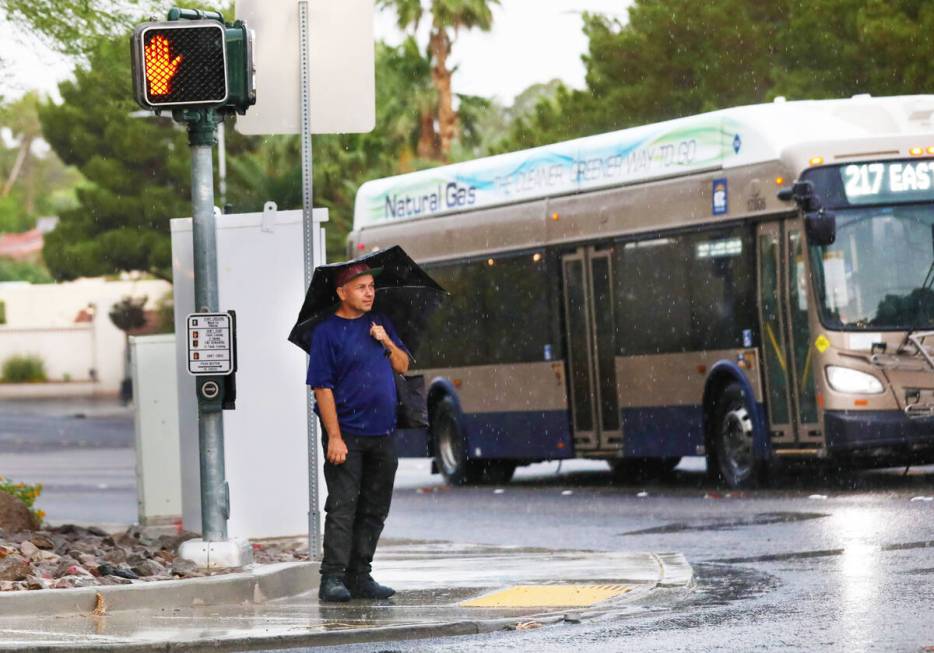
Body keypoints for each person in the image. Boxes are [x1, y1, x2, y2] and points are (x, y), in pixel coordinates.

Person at [307, 262, 410, 602]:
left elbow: (403, 365)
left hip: (383, 433)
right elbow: (322, 388)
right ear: (341, 293)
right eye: (361, 287)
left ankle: (360, 575)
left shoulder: (379, 324)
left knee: (375, 507)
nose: (369, 293)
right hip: (347, 435)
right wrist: (334, 437)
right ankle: (332, 578)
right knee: (342, 506)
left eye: (371, 287)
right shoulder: (327, 333)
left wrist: (386, 341)